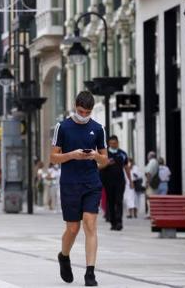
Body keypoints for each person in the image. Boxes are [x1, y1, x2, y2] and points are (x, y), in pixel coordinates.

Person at [50, 91, 108, 287]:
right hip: (70, 183)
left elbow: (105, 159)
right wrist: (72, 155)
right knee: (73, 229)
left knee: (90, 225)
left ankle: (90, 273)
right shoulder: (62, 127)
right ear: (75, 106)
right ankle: (64, 256)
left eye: (87, 112)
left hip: (91, 183)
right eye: (81, 111)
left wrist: (94, 156)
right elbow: (53, 157)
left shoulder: (98, 128)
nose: (84, 115)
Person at [99, 135, 131, 231]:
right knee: (111, 202)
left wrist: (131, 180)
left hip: (120, 182)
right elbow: (98, 167)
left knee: (119, 201)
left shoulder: (122, 154)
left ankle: (119, 222)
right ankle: (113, 222)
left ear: (118, 143)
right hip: (108, 182)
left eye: (115, 143)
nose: (113, 145)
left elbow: (126, 167)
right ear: (109, 144)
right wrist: (106, 163)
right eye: (111, 143)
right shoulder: (104, 154)